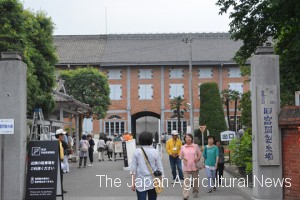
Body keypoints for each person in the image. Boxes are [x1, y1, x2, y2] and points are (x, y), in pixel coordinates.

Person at [130, 131, 164, 200]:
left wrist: (133, 183)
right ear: (151, 140)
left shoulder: (137, 152)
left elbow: (133, 169)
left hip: (140, 182)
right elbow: (160, 168)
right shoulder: (155, 151)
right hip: (153, 181)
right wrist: (161, 181)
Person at [179, 134, 201, 199]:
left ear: (191, 138)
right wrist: (183, 158)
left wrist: (197, 158)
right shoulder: (183, 147)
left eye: (189, 137)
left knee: (195, 181)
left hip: (195, 166)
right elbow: (180, 156)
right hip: (186, 167)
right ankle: (185, 195)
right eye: (186, 137)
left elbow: (199, 153)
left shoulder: (195, 146)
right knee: (186, 181)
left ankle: (195, 192)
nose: (188, 138)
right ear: (185, 139)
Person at [55, 129, 67, 193]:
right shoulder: (55, 143)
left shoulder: (61, 142)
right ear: (59, 135)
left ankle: (60, 189)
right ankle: (57, 189)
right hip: (56, 161)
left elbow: (66, 147)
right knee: (57, 176)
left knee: (60, 176)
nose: (63, 136)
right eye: (62, 135)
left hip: (60, 161)